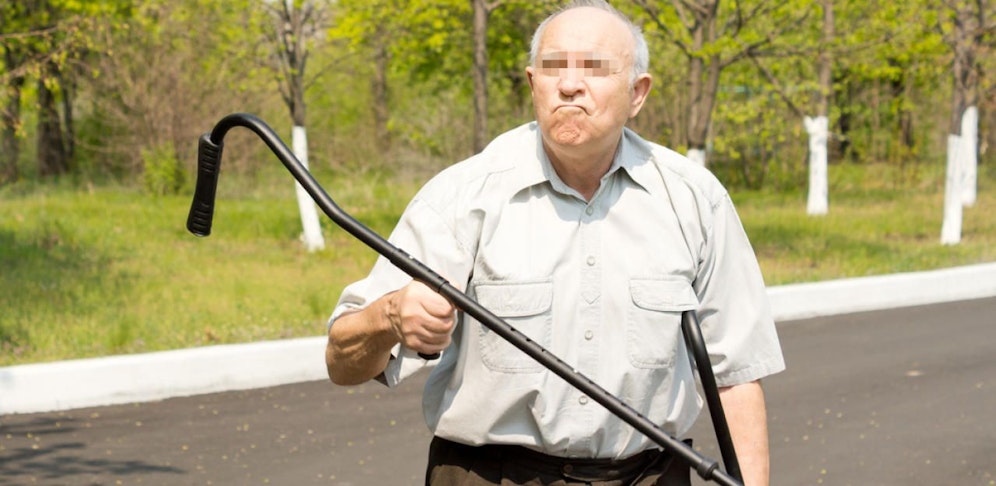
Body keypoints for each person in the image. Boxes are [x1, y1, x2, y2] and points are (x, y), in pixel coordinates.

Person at [325, 1, 785, 484]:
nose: (568, 84)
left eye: (595, 68)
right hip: (490, 476)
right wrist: (390, 315)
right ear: (531, 84)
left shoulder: (695, 200)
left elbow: (735, 375)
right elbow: (342, 361)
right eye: (552, 67)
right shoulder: (461, 198)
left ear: (638, 93)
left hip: (650, 475)